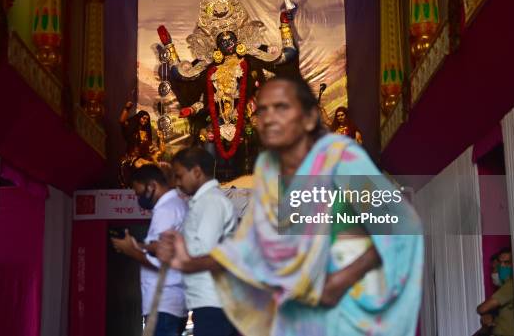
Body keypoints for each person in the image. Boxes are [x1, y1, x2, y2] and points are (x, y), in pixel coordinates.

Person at [157, 74, 424, 336]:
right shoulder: (270, 171)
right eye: (262, 110)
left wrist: (338, 281)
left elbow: (402, 224)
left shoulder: (339, 160)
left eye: (282, 107)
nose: (270, 117)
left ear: (309, 118)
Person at [157, 0, 299, 181]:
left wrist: (284, 26)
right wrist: (169, 46)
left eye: (230, 39)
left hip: (247, 117)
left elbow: (286, 57)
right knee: (206, 141)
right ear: (215, 46)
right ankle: (211, 186)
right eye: (222, 41)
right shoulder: (209, 68)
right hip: (215, 121)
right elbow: (183, 76)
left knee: (259, 137)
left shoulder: (250, 60)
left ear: (238, 39)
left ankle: (263, 184)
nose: (227, 43)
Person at [111, 164, 188, 336]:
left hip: (163, 302)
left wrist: (130, 250)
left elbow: (161, 261)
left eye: (139, 193)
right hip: (171, 301)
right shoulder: (176, 205)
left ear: (152, 186)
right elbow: (160, 246)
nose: (139, 199)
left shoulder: (166, 210)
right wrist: (139, 245)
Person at [170, 147, 238, 336]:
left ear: (197, 172)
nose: (177, 183)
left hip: (214, 301)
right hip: (209, 300)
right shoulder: (204, 201)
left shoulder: (210, 202)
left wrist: (181, 260)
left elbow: (209, 254)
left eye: (179, 176)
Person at [477, 248, 514, 336]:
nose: (502, 267)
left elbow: (482, 308)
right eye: (500, 264)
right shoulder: (503, 287)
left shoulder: (511, 285)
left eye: (507, 263)